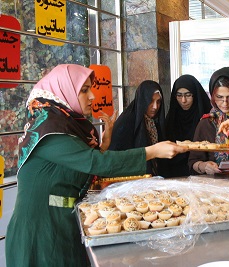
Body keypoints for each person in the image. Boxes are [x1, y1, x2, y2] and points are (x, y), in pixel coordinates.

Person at [5, 64, 187, 267]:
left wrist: (105, 145)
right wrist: (152, 151)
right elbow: (96, 164)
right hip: (40, 231)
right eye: (84, 90)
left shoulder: (66, 125)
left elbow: (81, 162)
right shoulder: (49, 130)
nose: (92, 96)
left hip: (62, 221)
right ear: (63, 91)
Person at [109, 80, 166, 175]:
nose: (155, 107)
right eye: (150, 101)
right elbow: (116, 156)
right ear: (143, 100)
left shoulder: (151, 121)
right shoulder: (128, 120)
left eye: (158, 102)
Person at [163, 74, 212, 177]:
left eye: (188, 95)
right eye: (179, 95)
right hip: (175, 176)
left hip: (205, 173)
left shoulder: (207, 118)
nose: (183, 100)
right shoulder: (171, 119)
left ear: (195, 95)